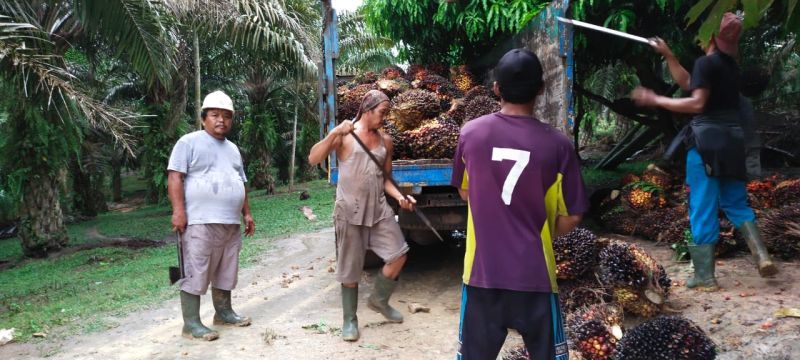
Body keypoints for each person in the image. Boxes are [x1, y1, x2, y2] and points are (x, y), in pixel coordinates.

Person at [451, 48, 587, 360]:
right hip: (535, 275)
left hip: (481, 274)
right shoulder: (558, 145)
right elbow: (573, 215)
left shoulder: (470, 134)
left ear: (496, 88)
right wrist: (539, 229)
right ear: (541, 89)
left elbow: (464, 192)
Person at [632, 12, 777, 291]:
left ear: (711, 36)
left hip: (707, 144)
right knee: (736, 202)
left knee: (702, 205)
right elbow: (690, 82)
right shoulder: (729, 67)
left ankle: (705, 277)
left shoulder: (706, 63)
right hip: (733, 142)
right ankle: (761, 256)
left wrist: (656, 99)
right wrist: (669, 56)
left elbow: (696, 102)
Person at [308, 90, 416, 342]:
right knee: (350, 270)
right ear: (368, 110)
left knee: (399, 254)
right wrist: (334, 132)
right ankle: (350, 320)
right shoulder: (345, 136)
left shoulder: (386, 141)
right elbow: (313, 158)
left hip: (378, 210)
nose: (385, 118)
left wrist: (400, 197)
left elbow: (386, 179)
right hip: (349, 212)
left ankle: (379, 300)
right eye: (382, 113)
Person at [167, 90, 255, 341]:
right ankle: (191, 324)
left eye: (226, 116)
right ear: (204, 118)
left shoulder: (233, 149)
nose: (221, 120)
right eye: (215, 115)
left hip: (230, 222)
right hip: (199, 221)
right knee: (195, 269)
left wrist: (246, 213)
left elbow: (241, 182)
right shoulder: (188, 142)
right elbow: (175, 176)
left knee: (227, 268)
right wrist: (178, 211)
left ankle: (224, 312)